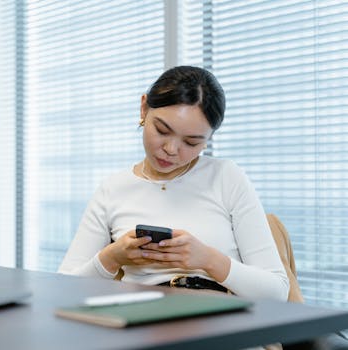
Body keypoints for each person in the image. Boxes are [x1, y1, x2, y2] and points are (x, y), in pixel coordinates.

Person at [58, 66, 289, 300]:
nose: (171, 150)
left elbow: (277, 291)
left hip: (218, 315)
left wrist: (208, 259)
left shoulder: (226, 177)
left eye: (191, 142)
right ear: (144, 108)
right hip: (144, 318)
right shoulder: (113, 189)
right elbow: (64, 289)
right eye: (162, 130)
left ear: (207, 140)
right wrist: (112, 257)